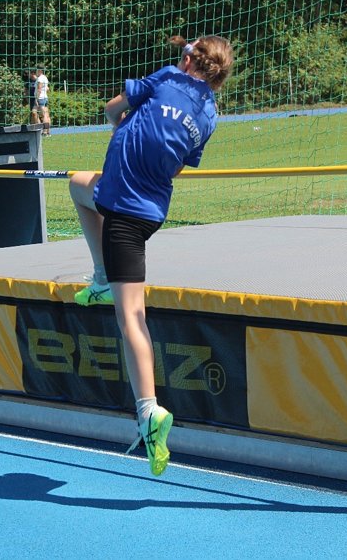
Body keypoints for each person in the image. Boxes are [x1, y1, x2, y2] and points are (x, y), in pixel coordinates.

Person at [68, 35, 233, 476]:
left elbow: (111, 108)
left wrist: (122, 125)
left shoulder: (167, 77)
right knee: (79, 186)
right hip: (148, 207)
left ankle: (148, 411)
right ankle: (101, 277)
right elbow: (177, 165)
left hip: (123, 210)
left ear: (188, 60)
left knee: (131, 320)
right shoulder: (210, 115)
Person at [32, 67, 51, 136]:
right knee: (35, 113)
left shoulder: (40, 78)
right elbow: (47, 88)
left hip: (40, 98)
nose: (35, 72)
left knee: (44, 115)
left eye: (36, 70)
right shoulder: (44, 77)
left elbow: (39, 89)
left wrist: (36, 99)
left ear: (40, 71)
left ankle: (44, 132)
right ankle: (46, 131)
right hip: (44, 98)